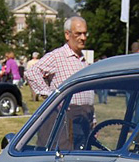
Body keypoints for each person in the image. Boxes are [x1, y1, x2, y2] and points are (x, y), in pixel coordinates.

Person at [25, 16, 93, 148]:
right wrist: (52, 97)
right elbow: (32, 73)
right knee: (65, 158)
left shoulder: (84, 60)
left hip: (85, 118)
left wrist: (93, 119)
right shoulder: (57, 56)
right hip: (64, 118)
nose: (83, 38)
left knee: (83, 157)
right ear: (67, 35)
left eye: (85, 33)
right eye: (78, 34)